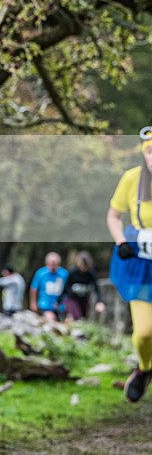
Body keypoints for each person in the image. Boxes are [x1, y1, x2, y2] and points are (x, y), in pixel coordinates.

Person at [107, 125, 152, 403]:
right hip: (141, 266)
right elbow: (114, 215)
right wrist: (121, 240)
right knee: (144, 334)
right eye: (150, 151)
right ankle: (145, 369)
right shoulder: (132, 179)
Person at [62, 251, 105, 321]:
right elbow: (65, 287)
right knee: (76, 316)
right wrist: (60, 300)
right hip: (72, 298)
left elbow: (96, 288)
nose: (83, 268)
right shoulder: (73, 272)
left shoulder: (91, 273)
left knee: (83, 318)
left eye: (85, 266)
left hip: (84, 299)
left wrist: (99, 301)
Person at [29, 252, 68, 322]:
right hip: (44, 304)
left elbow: (67, 289)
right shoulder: (41, 273)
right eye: (51, 264)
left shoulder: (64, 274)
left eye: (55, 264)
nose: (53, 267)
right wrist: (33, 303)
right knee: (50, 318)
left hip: (60, 306)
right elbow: (34, 288)